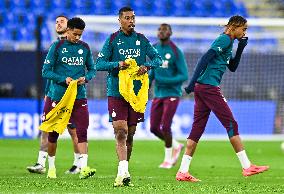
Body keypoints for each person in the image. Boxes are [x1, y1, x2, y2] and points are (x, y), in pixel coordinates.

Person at [176, 15, 269, 182]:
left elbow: (232, 67)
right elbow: (204, 59)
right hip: (208, 87)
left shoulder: (230, 42)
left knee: (197, 128)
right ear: (234, 27)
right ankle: (247, 166)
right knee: (231, 124)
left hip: (203, 87)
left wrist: (241, 48)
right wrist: (191, 83)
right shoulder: (224, 39)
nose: (245, 32)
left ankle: (183, 171)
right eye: (244, 29)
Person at [96, 6, 162, 186]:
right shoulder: (112, 40)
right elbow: (99, 64)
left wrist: (147, 66)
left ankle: (124, 171)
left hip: (136, 93)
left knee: (131, 134)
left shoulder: (141, 39)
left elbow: (158, 59)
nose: (131, 20)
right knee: (120, 131)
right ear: (120, 20)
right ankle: (123, 171)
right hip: (116, 92)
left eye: (133, 17)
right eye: (127, 18)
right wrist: (118, 64)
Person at [42, 17, 96, 179]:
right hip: (58, 96)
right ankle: (51, 167)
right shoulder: (57, 47)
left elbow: (92, 70)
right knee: (53, 133)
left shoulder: (85, 48)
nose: (77, 37)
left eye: (80, 35)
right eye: (75, 34)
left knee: (82, 131)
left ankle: (84, 167)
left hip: (79, 96)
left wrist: (85, 78)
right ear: (68, 31)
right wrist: (62, 79)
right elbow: (45, 71)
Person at [27, 15, 81, 175]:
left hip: (69, 96)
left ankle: (78, 162)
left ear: (69, 25)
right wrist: (46, 92)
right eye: (56, 21)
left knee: (73, 129)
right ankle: (41, 163)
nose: (58, 24)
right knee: (46, 127)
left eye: (62, 21)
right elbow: (50, 73)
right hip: (52, 94)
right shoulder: (55, 45)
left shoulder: (75, 46)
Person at [149, 23, 188, 169]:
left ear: (170, 33)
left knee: (165, 126)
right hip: (158, 94)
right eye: (159, 29)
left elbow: (184, 75)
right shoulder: (154, 49)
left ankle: (168, 159)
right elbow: (153, 70)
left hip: (172, 94)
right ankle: (176, 145)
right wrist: (147, 84)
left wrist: (165, 80)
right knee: (153, 128)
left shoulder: (176, 51)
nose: (161, 32)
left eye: (164, 30)